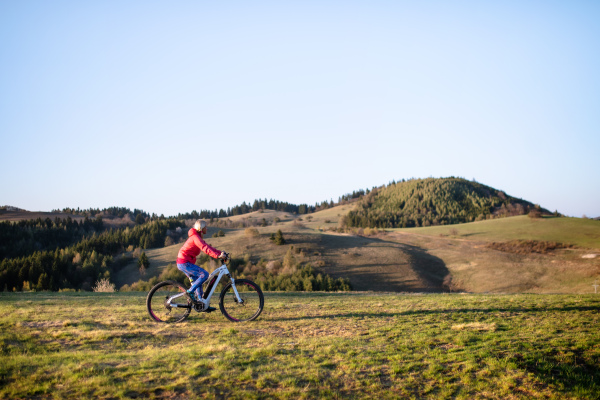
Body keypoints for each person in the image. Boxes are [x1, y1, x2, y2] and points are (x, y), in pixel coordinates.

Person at [177, 219, 227, 310]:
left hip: (186, 263)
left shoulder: (197, 236)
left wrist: (220, 253)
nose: (207, 229)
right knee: (204, 275)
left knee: (198, 282)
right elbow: (205, 248)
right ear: (201, 228)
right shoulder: (195, 237)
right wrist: (217, 256)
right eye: (205, 227)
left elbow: (208, 247)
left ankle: (201, 304)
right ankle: (190, 292)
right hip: (184, 263)